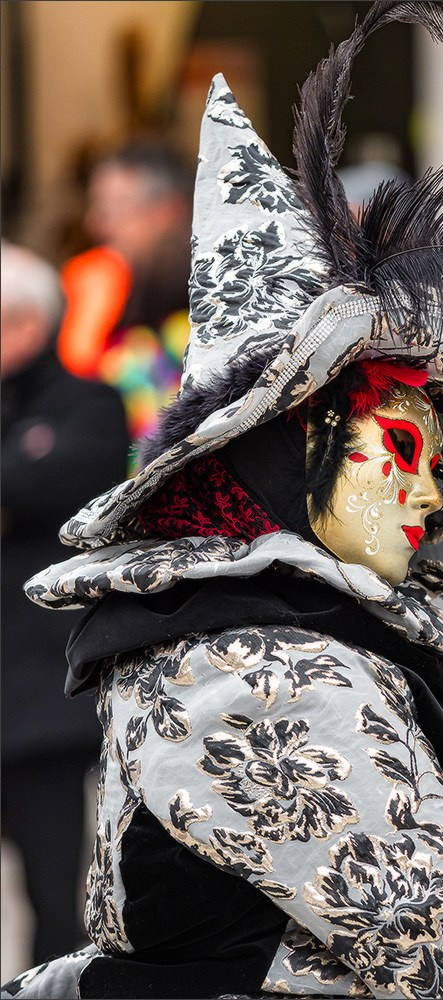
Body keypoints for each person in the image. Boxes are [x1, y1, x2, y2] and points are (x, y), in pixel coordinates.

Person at [2, 4, 443, 998]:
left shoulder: (292, 638)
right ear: (294, 451)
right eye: (398, 445)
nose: (424, 487)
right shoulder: (248, 668)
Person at [1, 243, 130, 971]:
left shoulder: (87, 402)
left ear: (22, 324)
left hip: (39, 706)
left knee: (58, 898)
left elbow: (63, 485)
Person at [57, 141, 194, 453]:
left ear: (167, 211)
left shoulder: (209, 300)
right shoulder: (109, 284)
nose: (95, 224)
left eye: (110, 210)